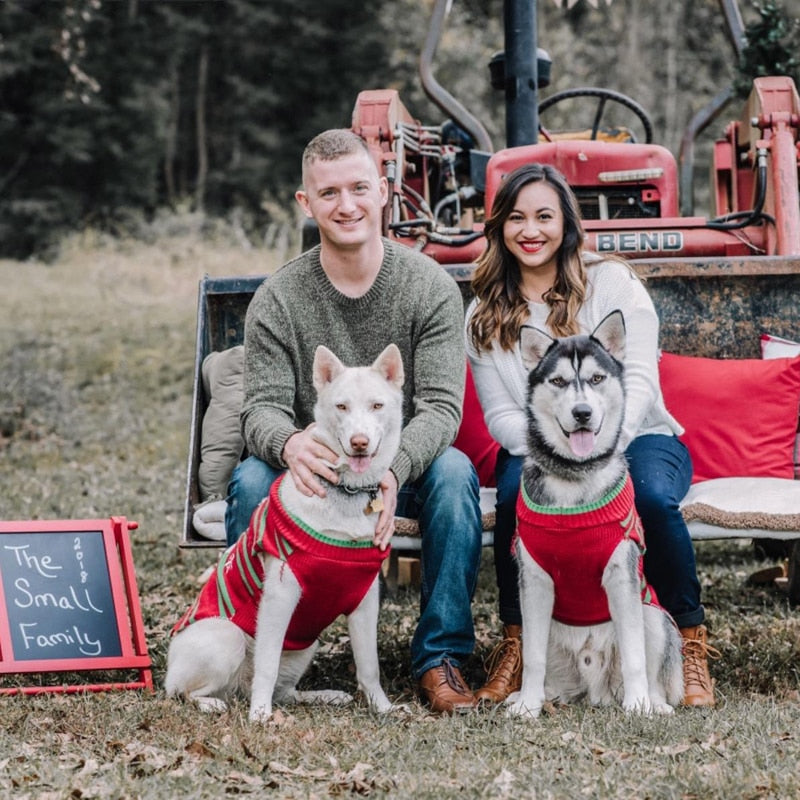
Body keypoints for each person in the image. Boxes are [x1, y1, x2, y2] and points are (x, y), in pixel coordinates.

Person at [224, 128, 483, 714]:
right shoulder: (279, 298)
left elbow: (442, 408)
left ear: (384, 191)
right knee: (249, 482)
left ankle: (439, 657)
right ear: (306, 203)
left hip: (399, 462)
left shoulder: (430, 288)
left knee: (454, 473)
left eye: (359, 188)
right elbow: (260, 408)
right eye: (330, 192)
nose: (347, 205)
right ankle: (250, 650)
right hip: (314, 470)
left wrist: (394, 469)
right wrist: (288, 444)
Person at [464, 162, 718, 708]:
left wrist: (599, 449)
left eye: (544, 216)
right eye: (515, 218)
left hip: (639, 434)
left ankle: (688, 641)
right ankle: (518, 641)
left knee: (648, 497)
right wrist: (557, 451)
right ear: (499, 228)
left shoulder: (611, 282)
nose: (530, 230)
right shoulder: (484, 315)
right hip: (539, 447)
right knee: (514, 495)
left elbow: (642, 382)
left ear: (567, 224)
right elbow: (500, 414)